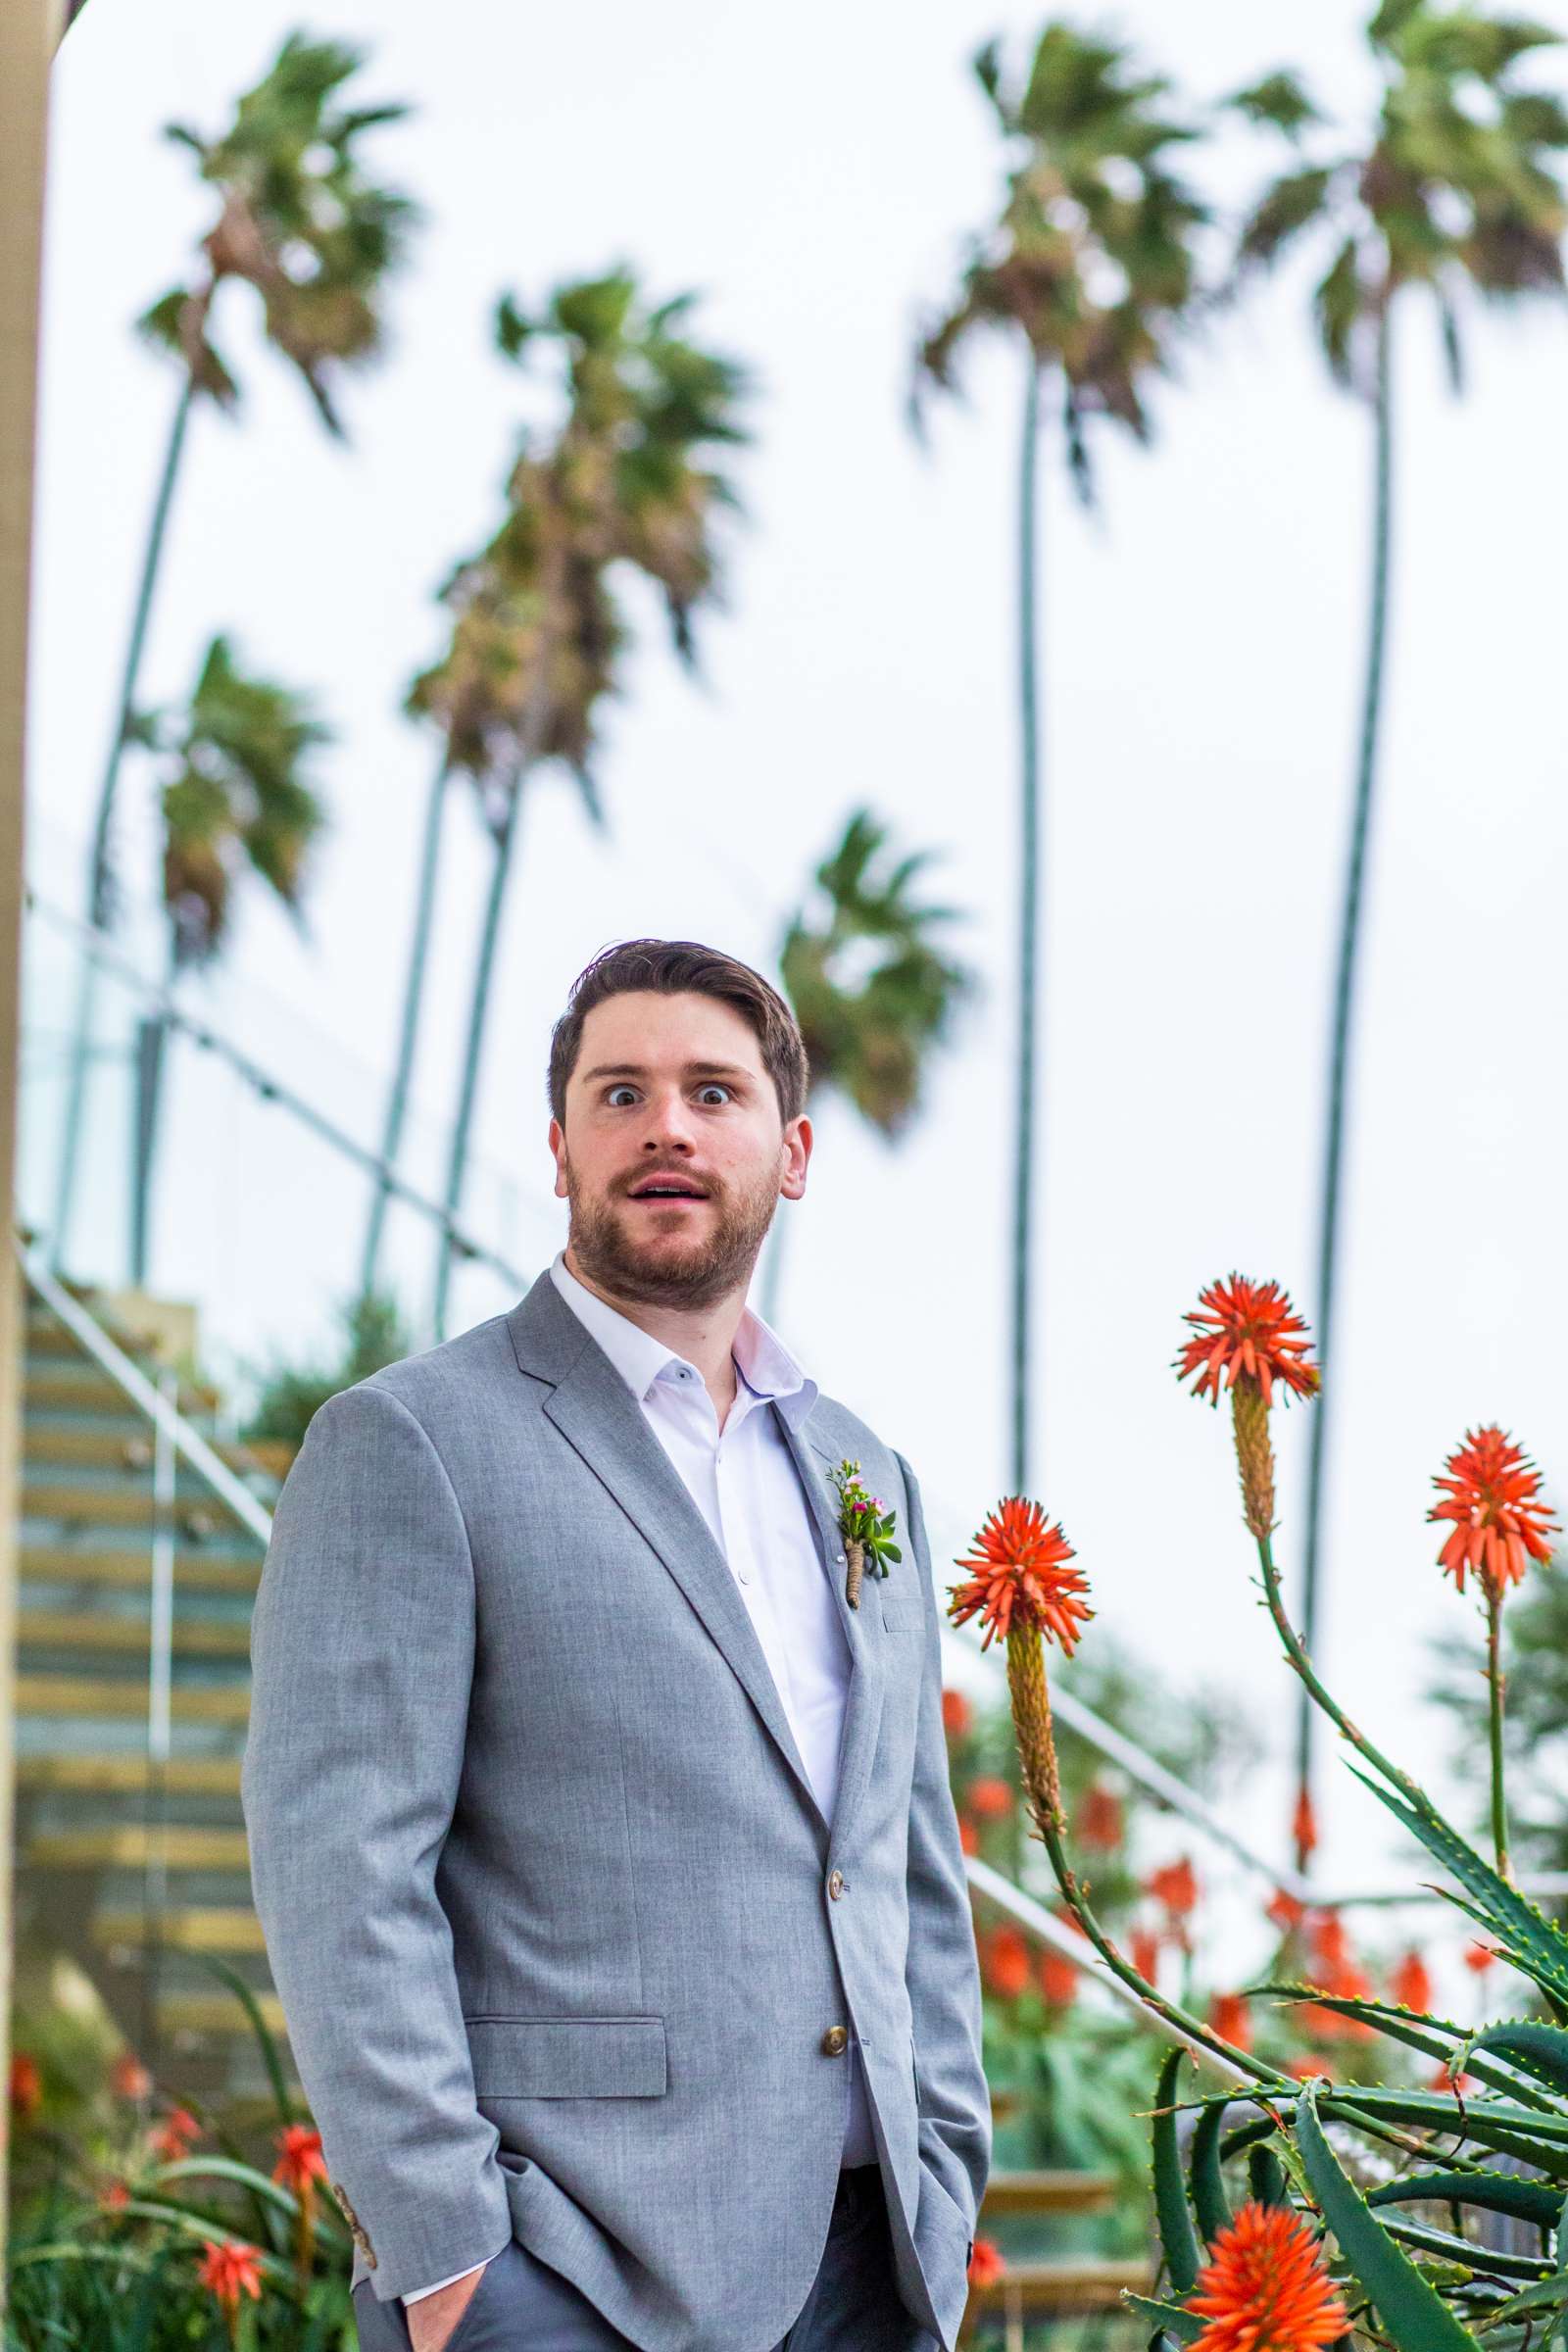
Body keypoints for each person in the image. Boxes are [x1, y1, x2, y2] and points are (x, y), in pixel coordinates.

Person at [241, 937, 990, 2352]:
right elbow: (340, 1869)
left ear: (795, 1149)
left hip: (873, 2266)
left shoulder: (862, 1473)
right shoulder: (412, 1443)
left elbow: (907, 1866)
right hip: (571, 2273)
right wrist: (452, 2258)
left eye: (714, 1092)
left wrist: (943, 2176)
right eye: (621, 1092)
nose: (667, 1126)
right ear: (561, 1145)